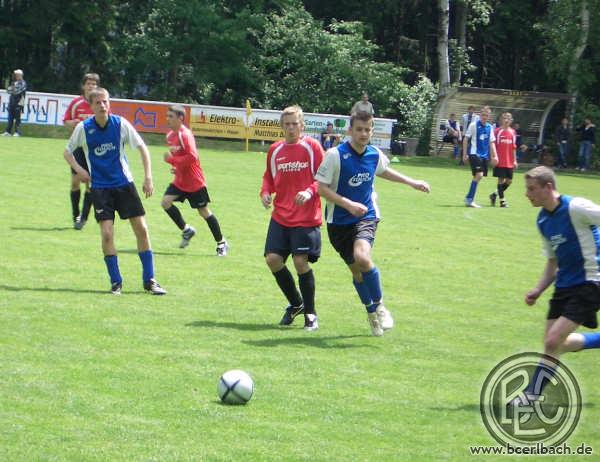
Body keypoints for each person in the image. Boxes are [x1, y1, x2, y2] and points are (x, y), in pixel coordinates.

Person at [315, 111, 430, 336]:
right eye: (359, 129)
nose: (363, 134)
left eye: (367, 130)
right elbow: (321, 188)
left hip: (366, 217)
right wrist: (348, 204)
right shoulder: (335, 155)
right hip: (338, 223)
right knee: (357, 273)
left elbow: (384, 171)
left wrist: (412, 182)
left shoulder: (374, 154)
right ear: (350, 131)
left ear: (372, 131)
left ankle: (380, 306)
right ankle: (371, 313)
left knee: (362, 257)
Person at [63, 87, 166, 295]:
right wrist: (80, 171)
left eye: (105, 102)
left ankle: (150, 280)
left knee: (142, 229)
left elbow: (143, 148)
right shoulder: (83, 128)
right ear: (91, 107)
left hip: (124, 184)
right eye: (98, 102)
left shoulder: (120, 124)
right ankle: (116, 282)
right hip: (100, 189)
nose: (103, 105)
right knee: (107, 234)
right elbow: (67, 152)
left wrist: (148, 177)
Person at [516, 166, 600, 405]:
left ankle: (531, 395)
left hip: (590, 282)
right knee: (555, 345)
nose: (527, 194)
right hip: (563, 286)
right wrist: (538, 289)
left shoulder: (576, 207)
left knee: (552, 341)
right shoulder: (543, 220)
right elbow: (553, 261)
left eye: (532, 189)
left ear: (548, 187)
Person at [261, 105, 324, 332]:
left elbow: (323, 178)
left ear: (302, 125)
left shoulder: (312, 147)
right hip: (280, 215)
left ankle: (310, 314)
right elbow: (269, 177)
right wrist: (265, 192)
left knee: (300, 262)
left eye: (294, 124)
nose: (291, 128)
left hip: (306, 217)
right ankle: (297, 303)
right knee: (272, 260)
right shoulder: (275, 150)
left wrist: (309, 191)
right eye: (287, 124)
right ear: (281, 126)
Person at [161, 104, 228, 255]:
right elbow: (180, 157)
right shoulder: (170, 136)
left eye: (171, 116)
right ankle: (187, 230)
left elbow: (192, 156)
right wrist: (176, 167)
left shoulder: (185, 135)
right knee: (165, 202)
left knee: (203, 211)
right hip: (180, 181)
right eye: (167, 116)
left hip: (194, 182)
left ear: (180, 118)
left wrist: (172, 160)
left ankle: (222, 243)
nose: (167, 119)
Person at [63, 72, 100, 229]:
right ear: (83, 86)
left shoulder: (100, 103)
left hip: (94, 150)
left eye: (94, 84)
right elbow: (65, 121)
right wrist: (74, 123)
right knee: (75, 182)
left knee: (91, 184)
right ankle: (75, 214)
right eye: (88, 83)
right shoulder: (76, 103)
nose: (91, 86)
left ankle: (83, 218)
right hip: (78, 148)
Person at [462, 105, 498, 208]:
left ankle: (469, 198)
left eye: (486, 115)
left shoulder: (490, 127)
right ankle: (469, 200)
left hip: (484, 157)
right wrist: (464, 154)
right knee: (479, 175)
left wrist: (495, 156)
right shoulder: (473, 125)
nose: (484, 117)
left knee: (477, 177)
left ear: (489, 116)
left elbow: (492, 143)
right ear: (480, 115)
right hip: (474, 154)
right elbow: (466, 139)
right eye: (483, 115)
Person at [489, 112, 517, 208]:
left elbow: (514, 147)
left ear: (511, 120)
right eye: (505, 118)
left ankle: (494, 195)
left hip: (509, 161)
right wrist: (493, 157)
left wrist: (515, 160)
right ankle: (502, 201)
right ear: (501, 120)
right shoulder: (497, 131)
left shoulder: (513, 132)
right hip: (500, 161)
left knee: (509, 181)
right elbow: (492, 145)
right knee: (500, 180)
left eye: (508, 118)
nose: (506, 120)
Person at [2, 69, 27, 137]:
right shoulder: (14, 82)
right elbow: (8, 91)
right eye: (15, 74)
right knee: (10, 118)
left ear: (20, 75)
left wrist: (12, 89)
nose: (15, 76)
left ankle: (17, 132)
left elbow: (17, 91)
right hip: (12, 102)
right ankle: (8, 132)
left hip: (19, 103)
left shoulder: (23, 83)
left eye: (16, 74)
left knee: (17, 119)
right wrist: (10, 88)